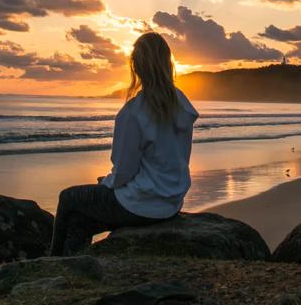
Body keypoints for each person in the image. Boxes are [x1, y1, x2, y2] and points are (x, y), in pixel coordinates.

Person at [49, 32, 199, 256]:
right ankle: (72, 264)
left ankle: (52, 261)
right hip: (170, 202)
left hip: (140, 204)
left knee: (69, 197)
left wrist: (107, 183)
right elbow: (179, 158)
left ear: (136, 67)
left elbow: (124, 172)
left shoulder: (133, 113)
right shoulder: (181, 104)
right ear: (168, 63)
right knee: (80, 222)